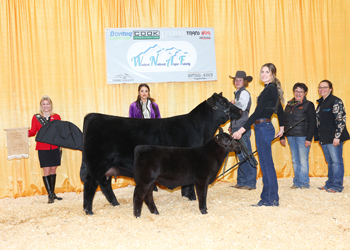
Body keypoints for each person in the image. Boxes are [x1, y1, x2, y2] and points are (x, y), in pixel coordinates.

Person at [232, 63, 284, 207]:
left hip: (263, 127)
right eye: (262, 71)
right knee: (267, 165)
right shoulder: (271, 89)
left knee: (266, 165)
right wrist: (281, 127)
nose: (263, 74)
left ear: (273, 74)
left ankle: (269, 199)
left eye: (267, 72)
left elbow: (256, 113)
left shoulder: (269, 90)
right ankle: (271, 198)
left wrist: (241, 130)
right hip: (265, 127)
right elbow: (279, 109)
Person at [315, 80, 349, 193]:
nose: (322, 89)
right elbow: (319, 123)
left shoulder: (336, 101)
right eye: (320, 87)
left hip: (334, 137)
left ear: (330, 89)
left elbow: (341, 119)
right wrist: (319, 137)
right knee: (330, 161)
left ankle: (337, 186)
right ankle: (330, 183)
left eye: (325, 87)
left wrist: (337, 136)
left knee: (336, 161)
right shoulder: (320, 103)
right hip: (324, 138)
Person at [280, 83, 316, 189]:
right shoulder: (289, 105)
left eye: (301, 91)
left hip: (303, 136)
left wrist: (309, 138)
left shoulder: (309, 105)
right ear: (293, 92)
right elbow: (285, 121)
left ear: (305, 93)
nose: (298, 93)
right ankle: (296, 182)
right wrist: (283, 136)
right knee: (295, 160)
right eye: (296, 91)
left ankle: (304, 183)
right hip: (291, 136)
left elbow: (312, 123)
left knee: (303, 160)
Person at [28, 95, 62, 203]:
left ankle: (53, 193)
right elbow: (33, 131)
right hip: (43, 147)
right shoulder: (36, 117)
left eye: (48, 104)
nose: (46, 106)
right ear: (41, 106)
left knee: (53, 169)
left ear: (51, 105)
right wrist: (21, 133)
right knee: (46, 170)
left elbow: (60, 130)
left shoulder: (56, 117)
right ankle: (50, 195)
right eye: (44, 104)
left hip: (55, 146)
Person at [228, 71, 257, 190]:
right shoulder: (238, 94)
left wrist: (235, 102)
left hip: (242, 129)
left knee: (246, 154)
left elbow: (243, 106)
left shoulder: (243, 93)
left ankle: (250, 183)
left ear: (244, 81)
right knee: (240, 155)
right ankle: (241, 181)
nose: (237, 81)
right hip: (237, 128)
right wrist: (231, 126)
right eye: (236, 80)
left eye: (240, 80)